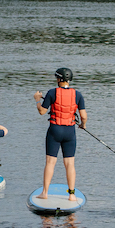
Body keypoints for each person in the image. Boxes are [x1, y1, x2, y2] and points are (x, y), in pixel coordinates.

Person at [34, 68, 86, 197]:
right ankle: (72, 195)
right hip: (70, 131)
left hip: (55, 130)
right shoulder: (77, 95)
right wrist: (83, 125)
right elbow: (84, 116)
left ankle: (45, 193)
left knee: (50, 162)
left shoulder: (52, 93)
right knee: (69, 164)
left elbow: (42, 111)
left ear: (58, 79)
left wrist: (37, 100)